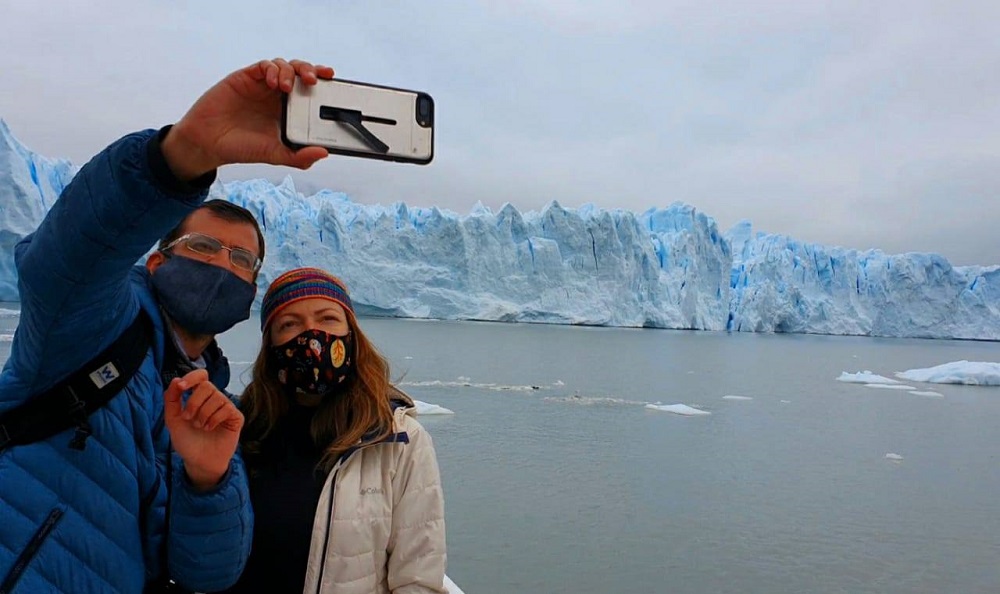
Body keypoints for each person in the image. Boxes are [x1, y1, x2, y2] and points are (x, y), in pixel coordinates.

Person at [0, 58, 335, 593]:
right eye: (203, 247)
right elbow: (65, 259)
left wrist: (209, 480)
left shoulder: (213, 399)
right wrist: (181, 157)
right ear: (157, 262)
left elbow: (208, 572)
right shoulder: (86, 328)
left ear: (251, 291)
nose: (222, 266)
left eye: (241, 261)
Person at [220, 268, 447, 594]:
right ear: (270, 345)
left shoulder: (397, 440)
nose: (311, 336)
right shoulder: (238, 430)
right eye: (289, 324)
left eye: (327, 318)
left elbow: (417, 578)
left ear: (352, 335)